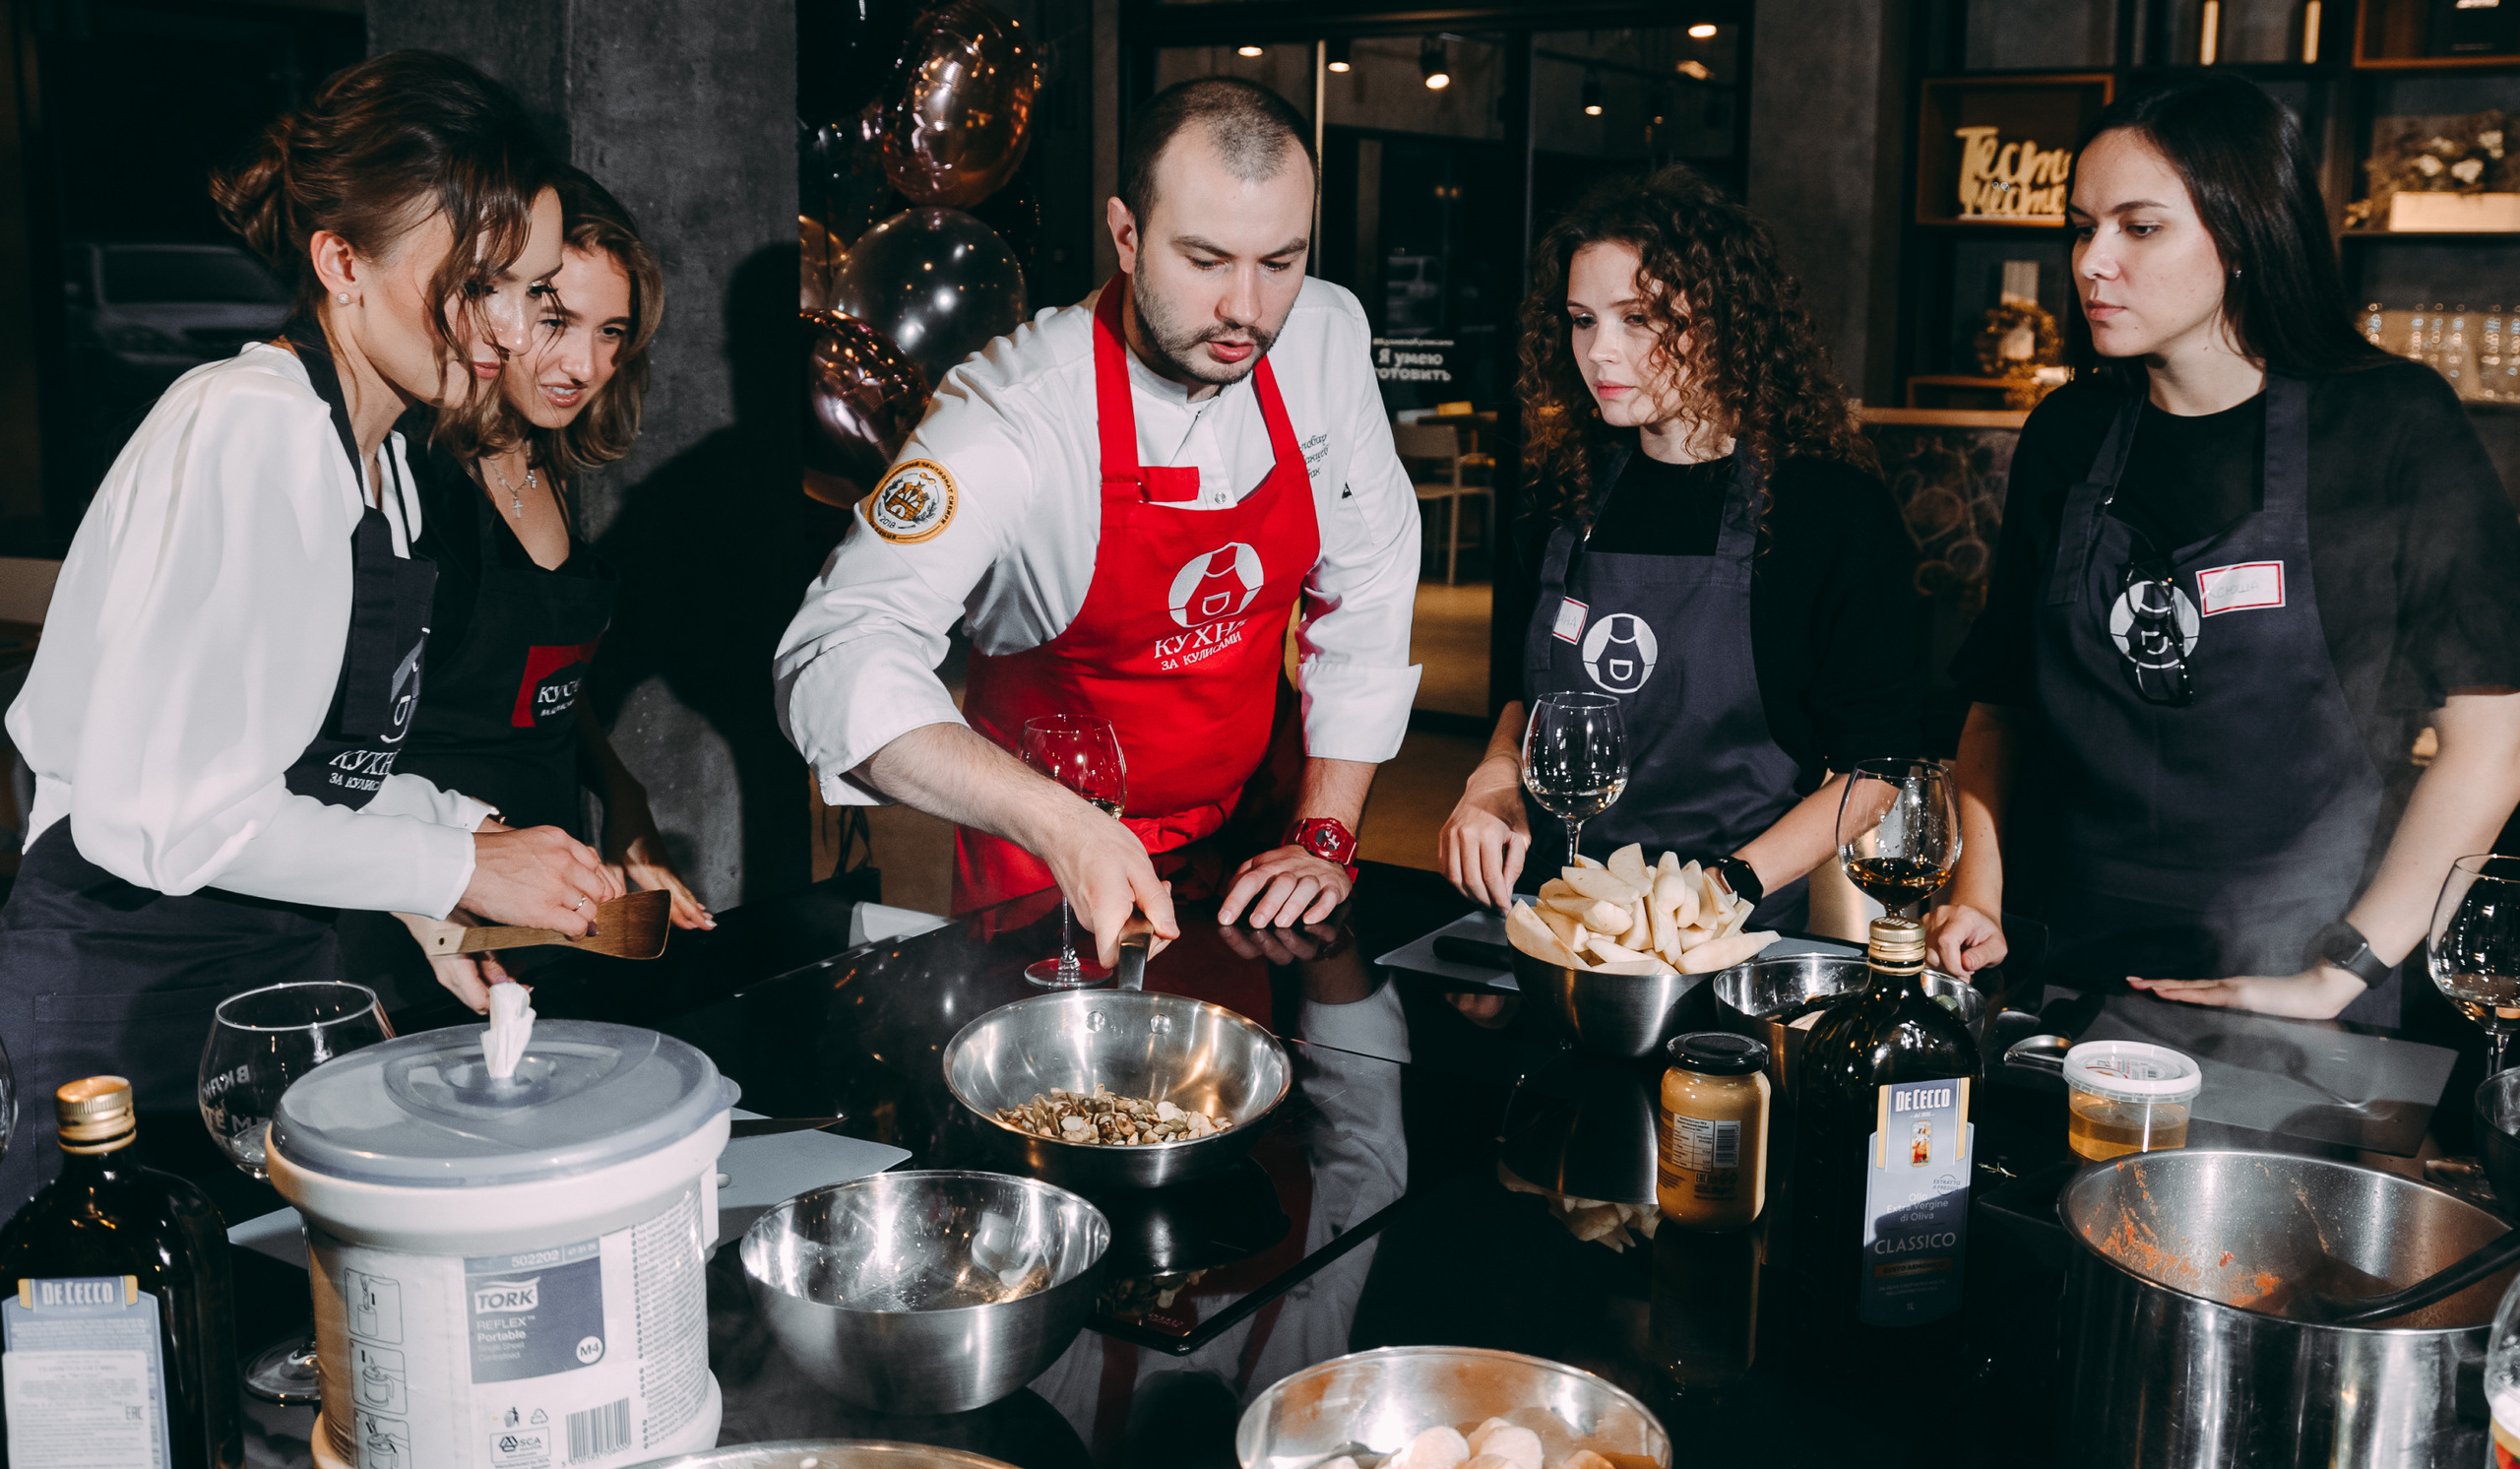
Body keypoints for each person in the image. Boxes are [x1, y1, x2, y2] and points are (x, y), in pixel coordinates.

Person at [0, 51, 615, 1210]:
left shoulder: (383, 459)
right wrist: (457, 858)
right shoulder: (251, 427)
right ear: (341, 261)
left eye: (526, 290)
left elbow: (295, 776)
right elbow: (170, 815)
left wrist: (448, 856)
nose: (506, 331)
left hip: (265, 980)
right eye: (474, 283)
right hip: (121, 1002)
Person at [777, 78, 1421, 961]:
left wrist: (1327, 832)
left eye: (1280, 262)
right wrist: (1059, 821)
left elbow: (1371, 576)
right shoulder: (1014, 414)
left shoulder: (1324, 336)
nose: (1246, 308)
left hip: (1255, 841)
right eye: (1205, 260)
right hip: (1042, 862)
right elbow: (835, 655)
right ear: (1126, 235)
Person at [1924, 75, 2520, 1024]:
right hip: (2066, 959)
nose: (2092, 263)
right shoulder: (2068, 433)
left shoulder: (2390, 424)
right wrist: (1978, 896)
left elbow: (2492, 742)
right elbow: (2000, 709)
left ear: (2242, 235)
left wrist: (2343, 971)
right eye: (2083, 227)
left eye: (2139, 227)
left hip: (2296, 979)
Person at [1439, 165, 1924, 930]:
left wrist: (1728, 888)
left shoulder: (1829, 508)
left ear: (1727, 318)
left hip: (1730, 922)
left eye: (1638, 319)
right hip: (1552, 904)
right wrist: (1494, 776)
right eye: (1581, 319)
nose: (1600, 353)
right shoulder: (1560, 490)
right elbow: (1520, 692)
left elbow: (1876, 767)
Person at [388, 169, 710, 990]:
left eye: (613, 331)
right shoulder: (414, 475)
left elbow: (545, 681)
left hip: (554, 885)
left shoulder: (548, 464)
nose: (586, 363)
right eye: (557, 319)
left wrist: (622, 794)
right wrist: (430, 879)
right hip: (422, 906)